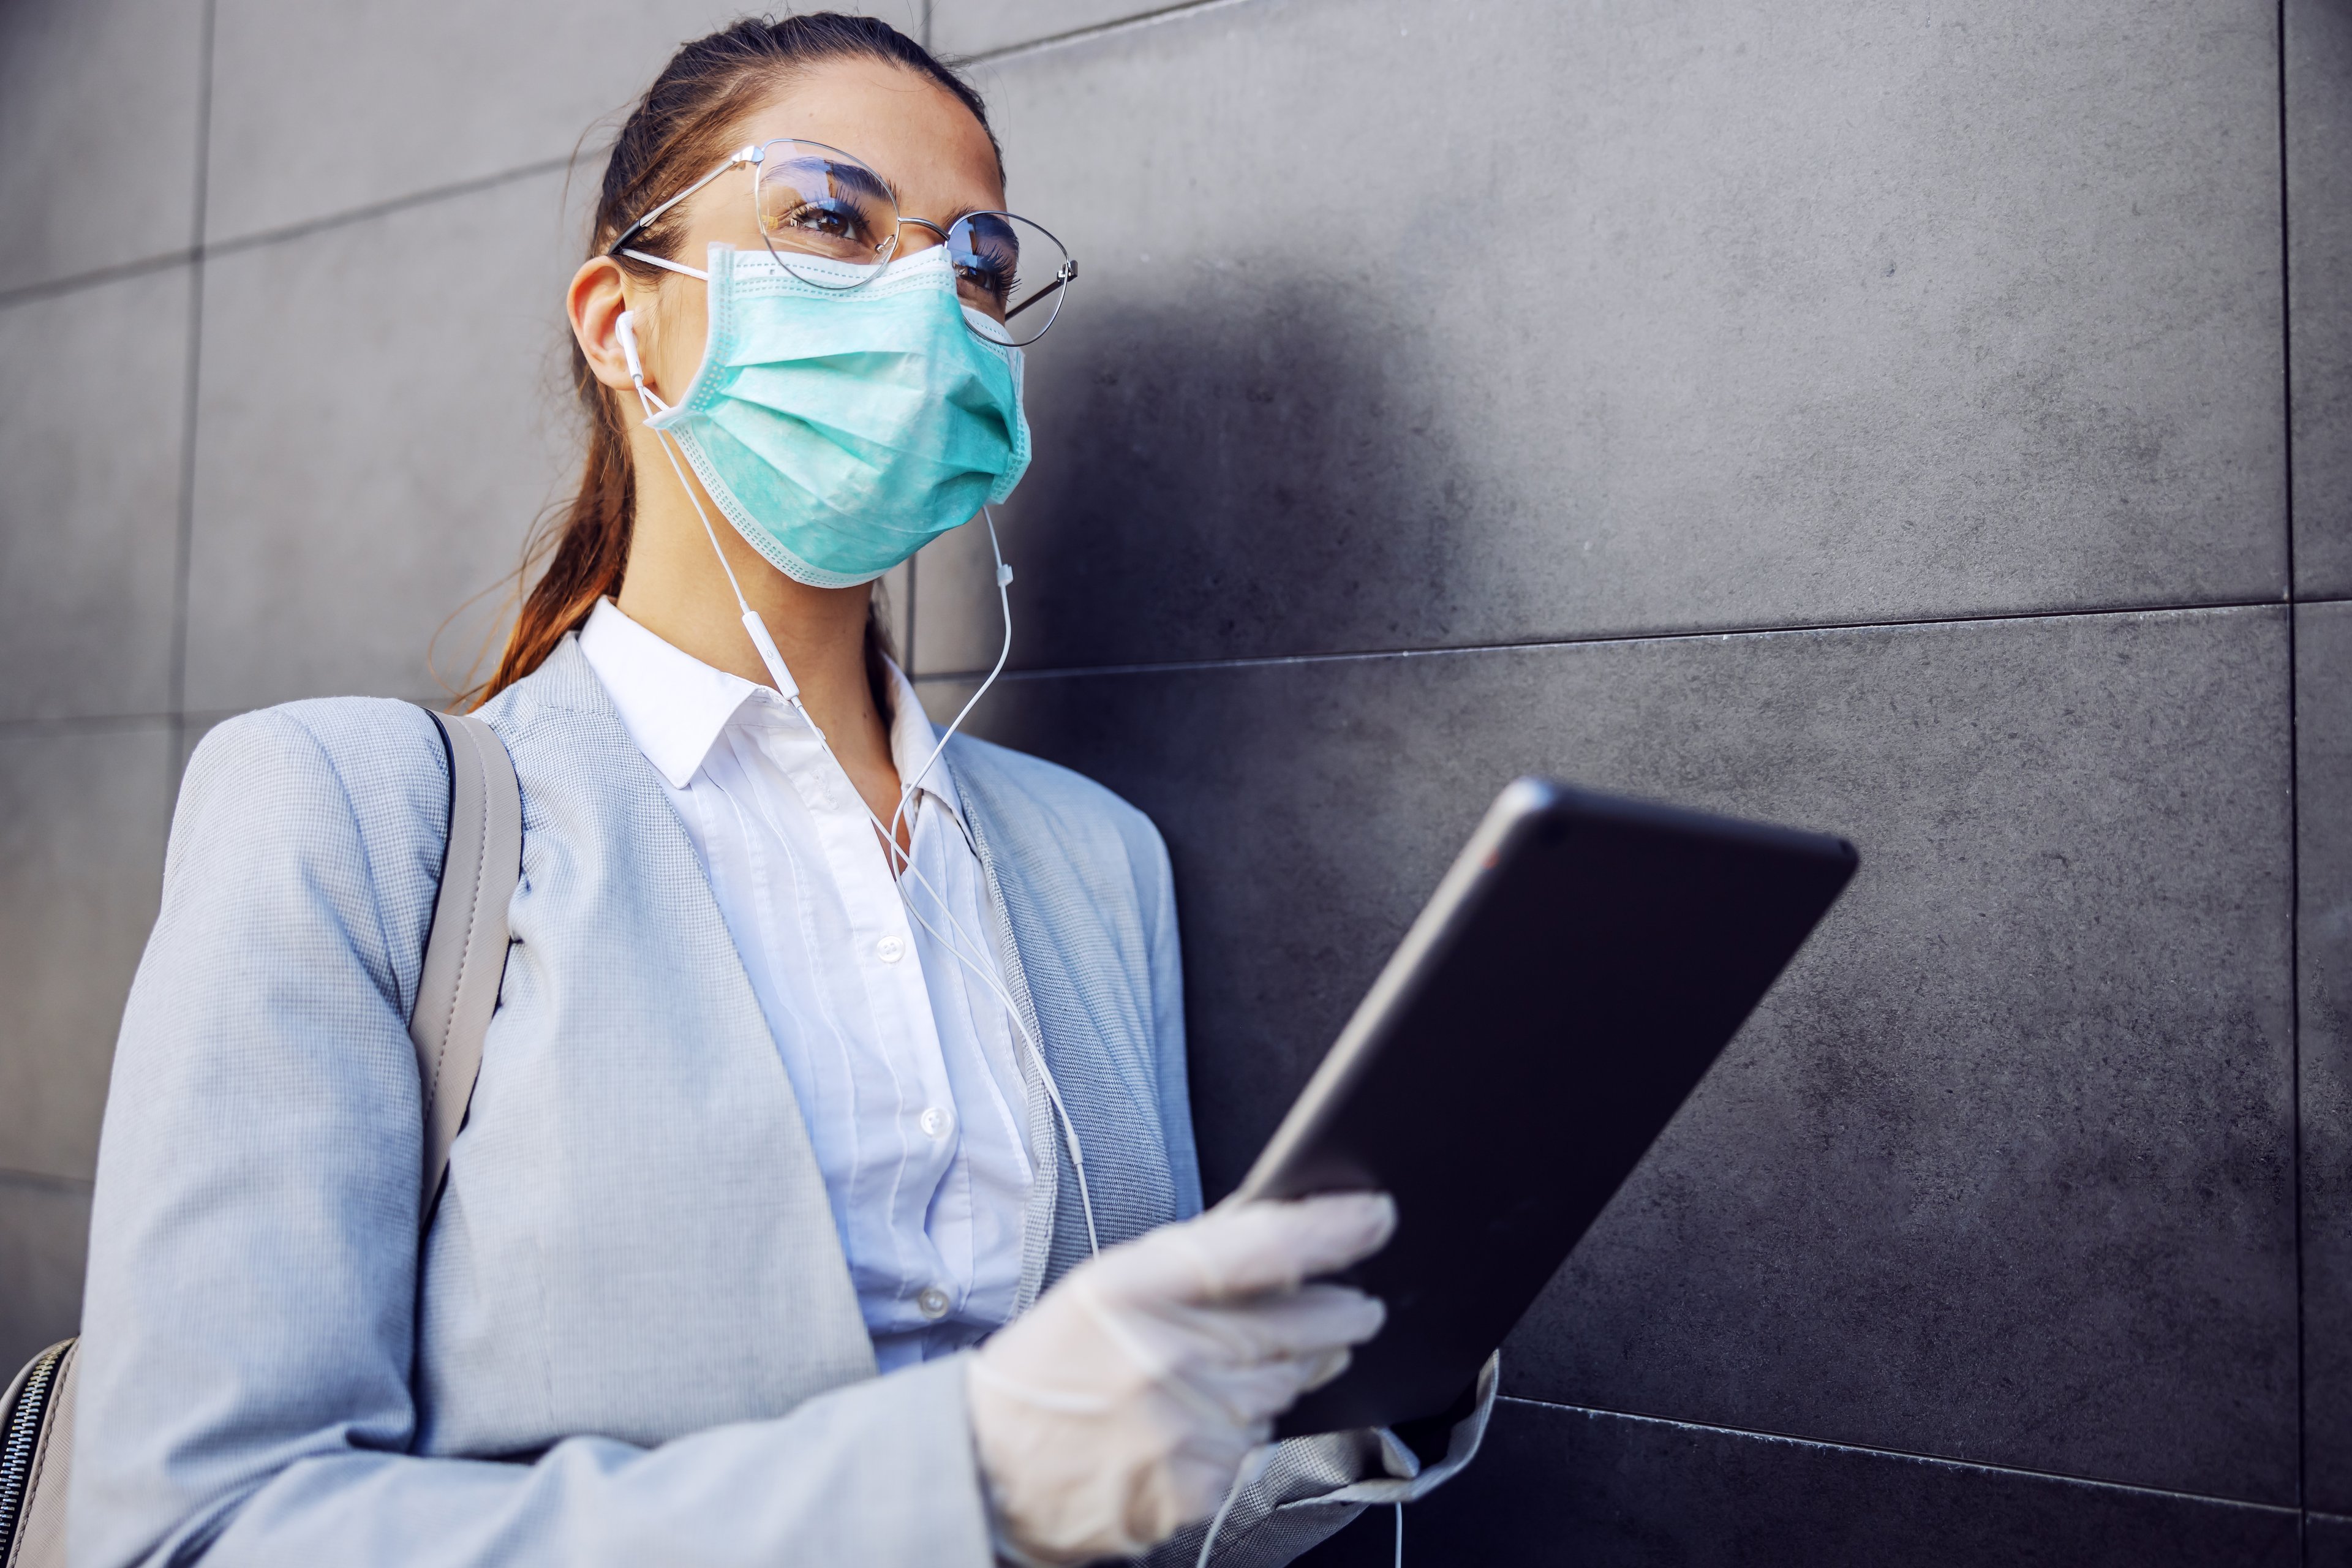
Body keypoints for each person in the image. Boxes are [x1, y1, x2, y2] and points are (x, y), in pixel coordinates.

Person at [67, 14, 1490, 1568]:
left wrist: (1339, 1401)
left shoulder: (1096, 860)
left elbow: (1125, 1483)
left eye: (977, 263)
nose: (928, 304)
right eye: (831, 217)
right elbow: (201, 1529)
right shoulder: (347, 815)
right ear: (623, 323)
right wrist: (965, 1473)